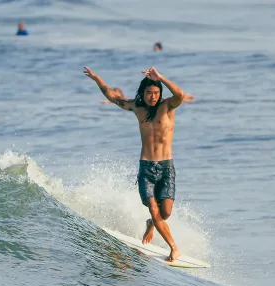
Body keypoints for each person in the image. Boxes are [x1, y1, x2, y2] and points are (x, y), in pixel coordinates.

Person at [84, 66, 195, 261]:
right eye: (149, 93)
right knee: (154, 208)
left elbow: (180, 93)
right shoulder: (137, 107)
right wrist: (96, 79)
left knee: (166, 213)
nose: (153, 97)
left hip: (166, 167)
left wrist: (161, 77)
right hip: (146, 168)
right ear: (142, 94)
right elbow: (112, 96)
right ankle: (174, 247)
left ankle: (151, 223)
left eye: (156, 93)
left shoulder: (168, 106)